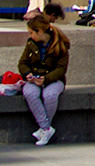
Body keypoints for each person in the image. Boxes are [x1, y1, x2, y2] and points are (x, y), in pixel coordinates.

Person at [18, 13, 70, 146]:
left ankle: (44, 129)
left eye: (31, 33)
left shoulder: (60, 45)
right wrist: (28, 74)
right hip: (34, 78)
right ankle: (46, 128)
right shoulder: (31, 44)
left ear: (40, 31)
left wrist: (46, 79)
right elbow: (22, 63)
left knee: (50, 95)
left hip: (53, 79)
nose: (30, 36)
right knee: (30, 93)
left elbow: (61, 69)